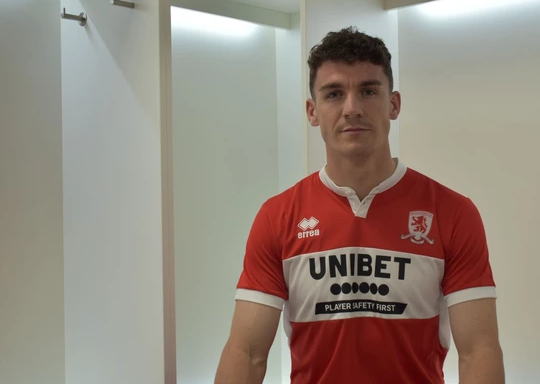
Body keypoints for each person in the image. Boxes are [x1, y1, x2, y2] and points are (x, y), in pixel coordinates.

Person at [214, 26, 504, 384]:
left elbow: (479, 351)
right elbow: (246, 354)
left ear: (393, 104)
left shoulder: (452, 213)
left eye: (368, 91)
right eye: (334, 94)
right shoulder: (277, 217)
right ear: (312, 111)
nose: (352, 109)